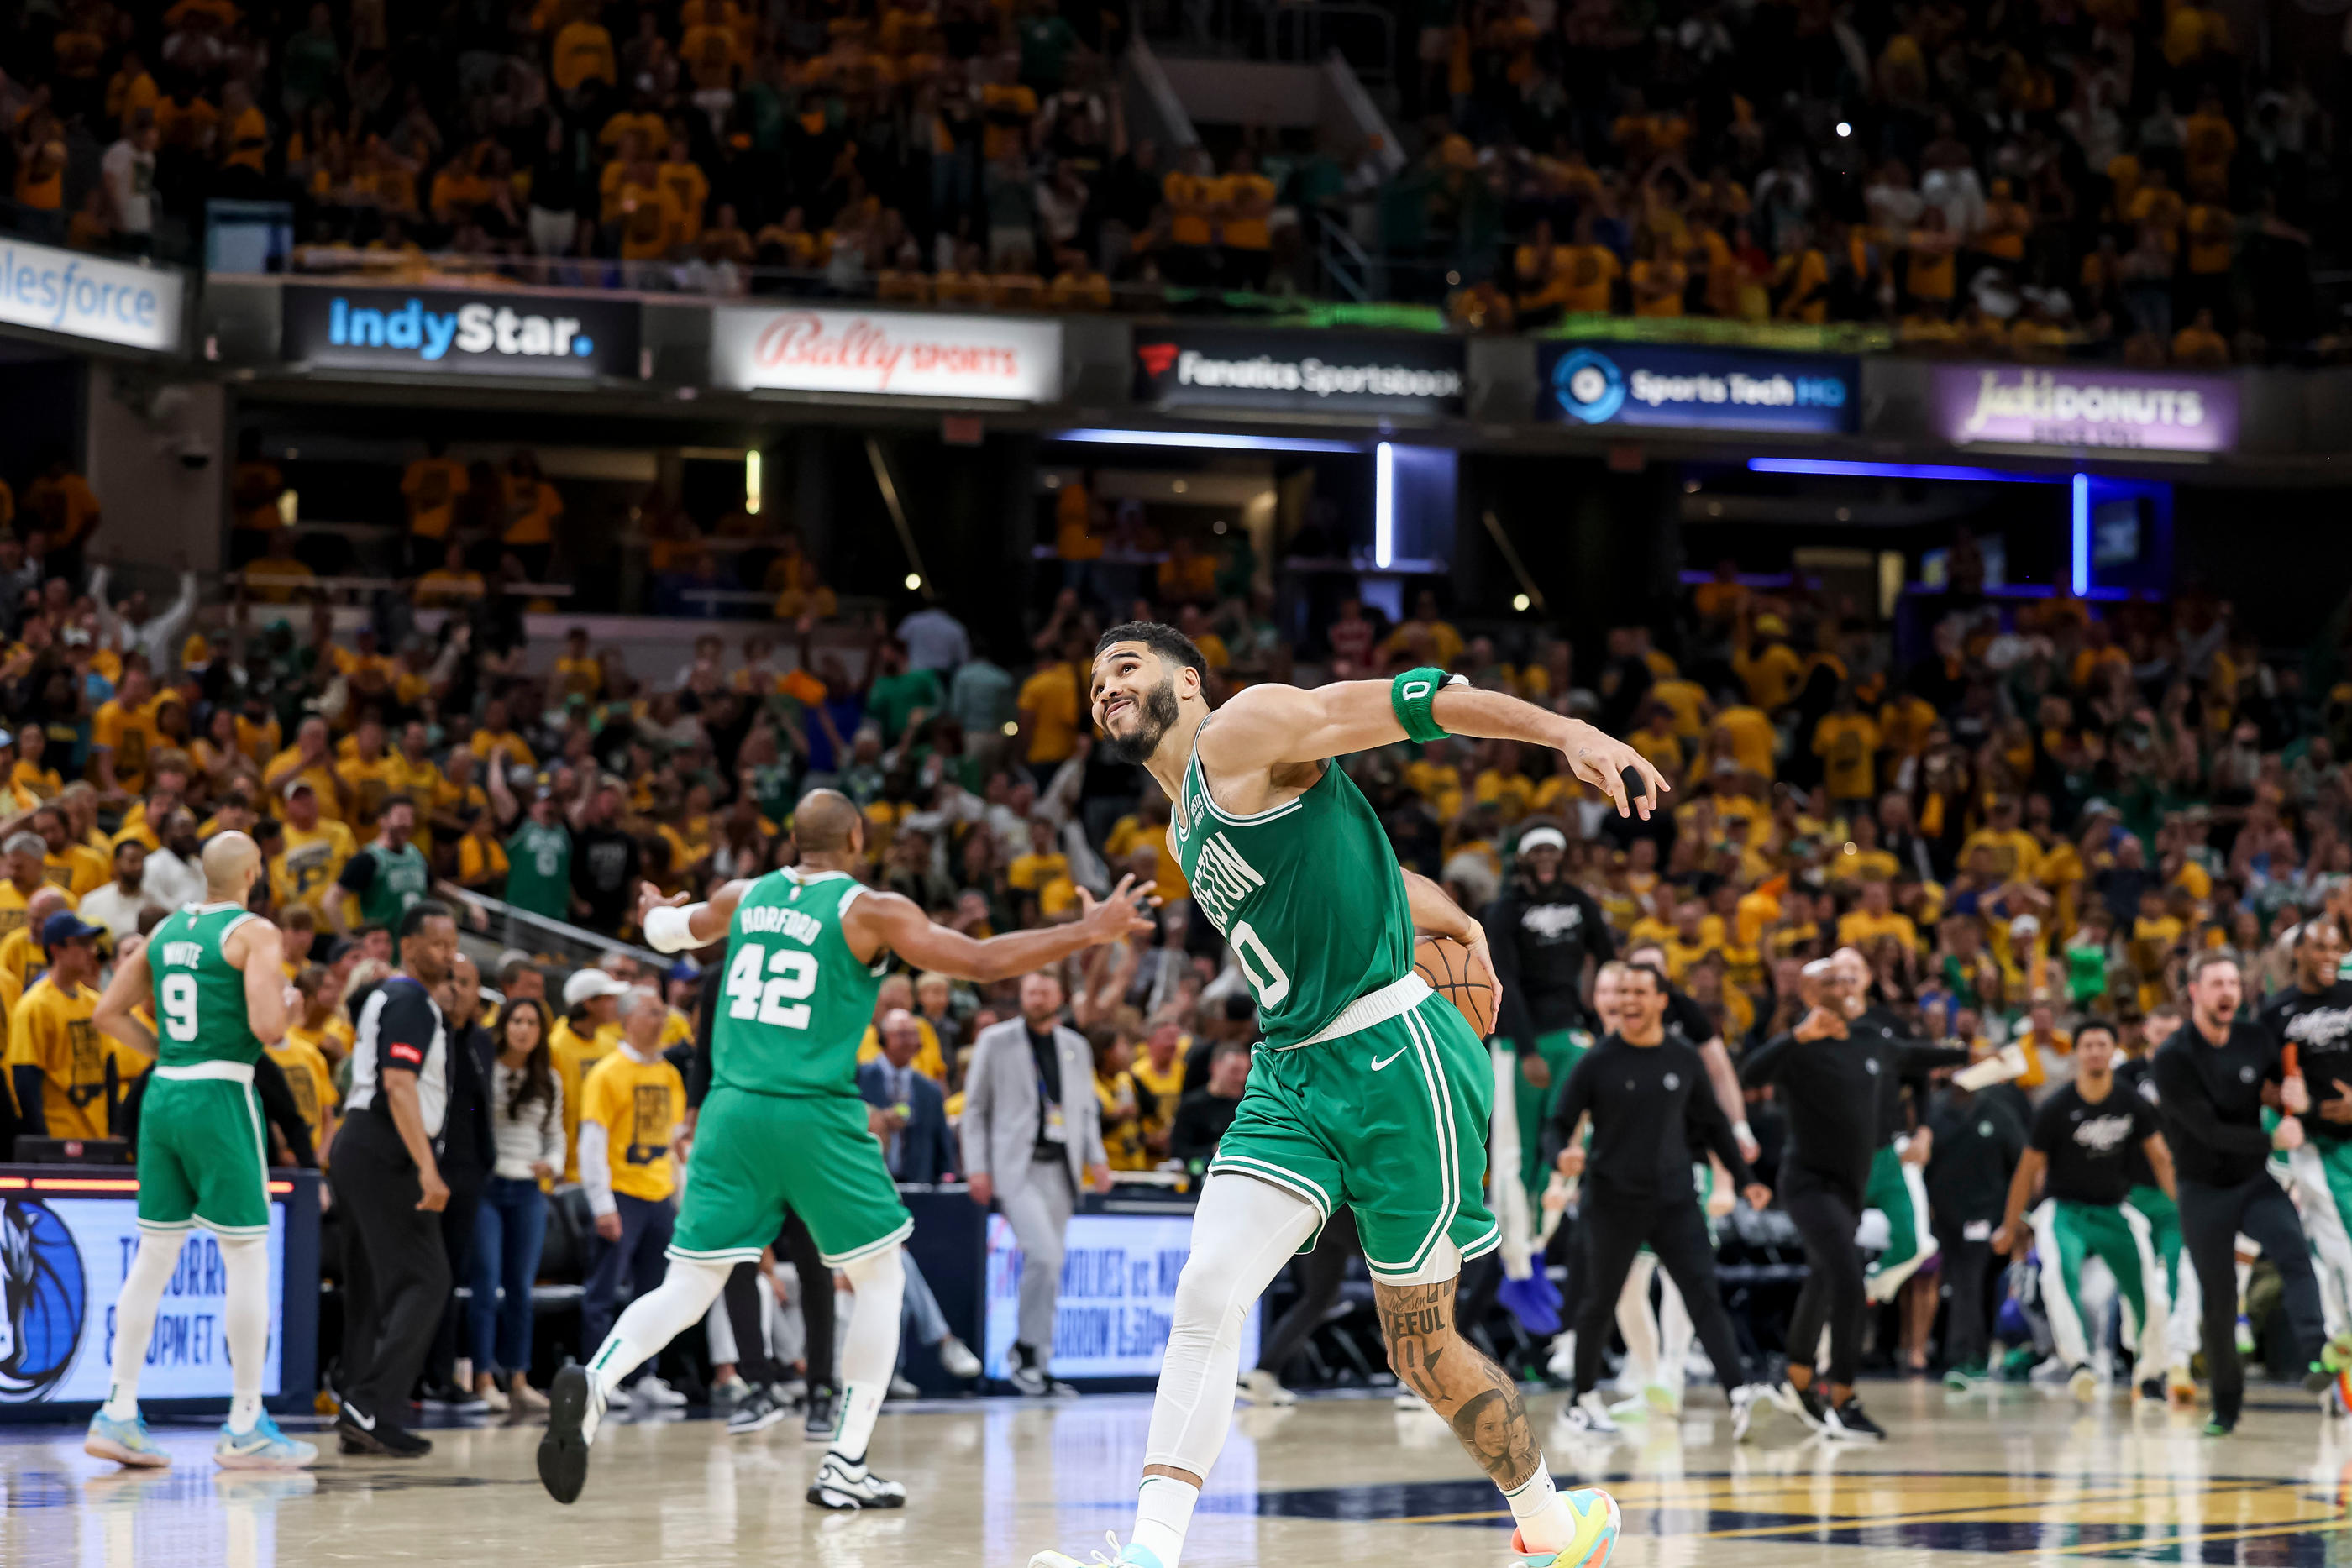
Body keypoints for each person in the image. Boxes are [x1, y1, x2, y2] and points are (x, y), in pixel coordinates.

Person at [1030, 621, 1662, 1568]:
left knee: (1419, 1349)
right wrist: (1451, 914)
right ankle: (1151, 1553)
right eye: (1093, 678)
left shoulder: (1243, 730)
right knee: (1207, 1286)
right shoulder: (1182, 820)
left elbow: (1425, 700)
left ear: (1189, 681)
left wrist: (1569, 733)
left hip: (1394, 1057)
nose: (1104, 685)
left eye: (1126, 666)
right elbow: (1358, 876)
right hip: (1289, 1071)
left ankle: (1553, 1524)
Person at [535, 789, 1152, 1511]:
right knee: (882, 1278)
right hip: (813, 1111)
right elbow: (981, 962)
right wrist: (1088, 932)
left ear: (794, 840)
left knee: (689, 1285)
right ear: (857, 836)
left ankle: (599, 1384)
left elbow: (670, 931)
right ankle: (845, 1461)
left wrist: (650, 909)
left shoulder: (742, 893)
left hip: (730, 1111)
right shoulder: (870, 910)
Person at [82, 832, 315, 1469]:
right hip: (220, 1093)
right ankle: (245, 1423)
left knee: (155, 1254)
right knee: (246, 1256)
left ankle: (118, 1410)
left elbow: (107, 1012)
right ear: (250, 872)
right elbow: (269, 1028)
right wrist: (291, 1005)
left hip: (165, 1095)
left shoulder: (165, 932)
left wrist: (165, 1054)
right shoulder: (255, 932)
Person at [1550, 962, 1772, 1436]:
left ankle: (1737, 1393)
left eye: (1639, 992)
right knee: (1600, 1301)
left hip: (1675, 1200)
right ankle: (1581, 1399)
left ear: (1660, 1000)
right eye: (1623, 991)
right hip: (1612, 1201)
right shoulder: (1598, 1060)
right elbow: (1558, 1122)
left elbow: (1713, 1124)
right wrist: (1562, 1155)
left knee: (1703, 1295)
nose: (1628, 1000)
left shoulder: (1683, 1058)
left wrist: (1744, 1176)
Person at [2153, 952, 2347, 1434]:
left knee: (2295, 1252)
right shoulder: (2173, 1057)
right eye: (2217, 983)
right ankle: (2226, 1405)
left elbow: (2284, 1083)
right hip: (2202, 1191)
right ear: (2194, 991)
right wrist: (2272, 1138)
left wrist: (2294, 1098)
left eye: (2234, 984)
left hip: (2253, 1181)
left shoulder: (2254, 1038)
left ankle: (2314, 1358)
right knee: (2219, 1304)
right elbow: (2205, 1131)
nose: (2228, 993)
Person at [1740, 957, 1893, 1440]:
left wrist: (1970, 1054)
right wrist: (1797, 1036)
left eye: (1847, 978)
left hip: (1851, 1188)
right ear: (1808, 992)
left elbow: (1915, 1056)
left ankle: (1799, 1377)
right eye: (1828, 980)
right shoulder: (1798, 1046)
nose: (1840, 986)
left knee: (1825, 1277)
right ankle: (1842, 1396)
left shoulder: (1869, 1040)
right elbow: (1749, 1073)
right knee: (1849, 1280)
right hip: (1806, 1185)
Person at [329, 900, 461, 1457]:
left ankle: (361, 1410)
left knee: (370, 1287)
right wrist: (427, 1166)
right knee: (426, 1280)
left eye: (453, 943)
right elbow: (399, 1083)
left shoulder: (391, 997)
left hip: (358, 1143)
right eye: (437, 943)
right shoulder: (411, 1000)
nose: (449, 953)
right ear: (409, 945)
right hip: (387, 1146)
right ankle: (371, 1402)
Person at [961, 969, 1111, 1396]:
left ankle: (1040, 1365)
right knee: (1043, 1256)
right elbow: (974, 1110)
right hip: (1017, 1167)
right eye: (1030, 991)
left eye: (1045, 991)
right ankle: (1024, 1351)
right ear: (1021, 997)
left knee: (1053, 1265)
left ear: (1060, 996)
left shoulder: (1076, 1047)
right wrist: (977, 1167)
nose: (1038, 998)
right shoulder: (996, 1041)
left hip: (1061, 1168)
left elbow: (1084, 1111)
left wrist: (1097, 1160)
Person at [1483, 822, 1614, 1203]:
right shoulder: (1505, 909)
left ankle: (1543, 1230)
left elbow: (1608, 960)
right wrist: (1527, 1050)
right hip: (1520, 1040)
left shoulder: (1579, 902)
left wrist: (1596, 1025)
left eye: (1551, 849)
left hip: (1570, 1031)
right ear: (1523, 859)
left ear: (1561, 857)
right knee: (1517, 1146)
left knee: (1570, 1135)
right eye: (1536, 850)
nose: (1545, 857)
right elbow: (1504, 979)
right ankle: (1518, 1249)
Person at [576, 984, 690, 1406]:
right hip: (621, 1193)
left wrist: (680, 1197)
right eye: (650, 1013)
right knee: (603, 1291)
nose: (661, 1021)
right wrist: (602, 1204)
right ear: (626, 1021)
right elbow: (591, 1144)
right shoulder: (607, 1072)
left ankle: (646, 1376)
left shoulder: (670, 1075)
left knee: (656, 1292)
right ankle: (597, 1376)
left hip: (660, 1195)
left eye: (662, 1013)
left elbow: (679, 1140)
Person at [2258, 919, 2352, 1340]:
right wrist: (2281, 1100)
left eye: (2336, 949)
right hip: (2316, 1148)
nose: (2331, 957)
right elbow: (2258, 1081)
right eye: (2320, 948)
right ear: (2298, 953)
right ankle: (2339, 1358)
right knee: (2340, 1251)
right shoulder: (2275, 1012)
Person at [475, 994, 559, 1413]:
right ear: (504, 1025)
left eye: (532, 1021)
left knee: (521, 1290)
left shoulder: (549, 1079)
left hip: (528, 1189)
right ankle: (483, 1377)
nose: (524, 1028)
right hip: (489, 1187)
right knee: (486, 1285)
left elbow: (555, 1134)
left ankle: (519, 1378)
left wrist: (554, 1163)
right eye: (517, 1020)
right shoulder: (483, 1070)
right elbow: (470, 1118)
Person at [6, 910, 113, 1140]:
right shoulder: (35, 1005)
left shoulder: (96, 1003)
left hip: (98, 1136)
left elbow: (109, 1067)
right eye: (82, 944)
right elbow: (26, 1080)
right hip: (58, 1137)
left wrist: (114, 1129)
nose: (91, 951)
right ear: (56, 949)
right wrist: (42, 1141)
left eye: (91, 944)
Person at [858, 1009, 958, 1183]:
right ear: (883, 1038)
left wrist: (947, 1176)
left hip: (917, 1184)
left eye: (914, 1034)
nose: (911, 1041)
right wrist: (877, 1118)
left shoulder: (930, 1090)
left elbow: (943, 1142)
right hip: (867, 1179)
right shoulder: (858, 1078)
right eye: (902, 1034)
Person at [333, 795, 429, 935]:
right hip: (384, 948)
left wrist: (468, 901)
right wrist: (348, 940)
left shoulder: (415, 854)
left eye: (411, 817)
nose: (407, 823)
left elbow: (434, 885)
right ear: (383, 821)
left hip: (414, 943)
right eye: (401, 817)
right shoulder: (368, 859)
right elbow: (330, 900)